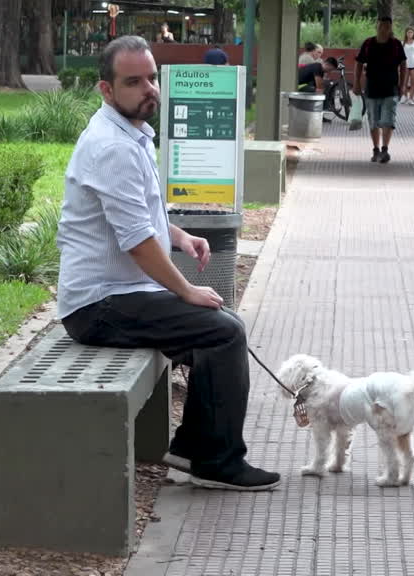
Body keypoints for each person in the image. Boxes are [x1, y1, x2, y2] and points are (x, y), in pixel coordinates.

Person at [56, 35, 281, 492]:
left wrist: (179, 235)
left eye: (152, 78)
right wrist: (186, 290)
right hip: (99, 306)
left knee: (215, 328)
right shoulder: (113, 147)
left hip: (121, 294)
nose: (149, 89)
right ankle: (215, 460)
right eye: (134, 81)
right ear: (106, 89)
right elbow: (137, 241)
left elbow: (143, 216)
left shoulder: (129, 133)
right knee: (223, 331)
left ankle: (194, 447)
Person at [353, 16, 406, 164]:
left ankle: (385, 150)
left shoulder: (396, 44)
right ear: (377, 27)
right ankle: (375, 149)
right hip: (372, 89)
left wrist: (402, 85)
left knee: (387, 120)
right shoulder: (368, 43)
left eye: (387, 26)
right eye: (381, 26)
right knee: (374, 121)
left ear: (390, 28)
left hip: (391, 89)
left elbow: (403, 65)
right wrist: (357, 83)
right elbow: (358, 63)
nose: (384, 29)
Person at [402, 27, 414, 105]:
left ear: (413, 34)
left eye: (411, 32)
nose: (410, 34)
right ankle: (405, 97)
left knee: (413, 82)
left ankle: (411, 99)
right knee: (404, 82)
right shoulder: (402, 42)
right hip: (405, 64)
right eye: (408, 32)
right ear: (406, 33)